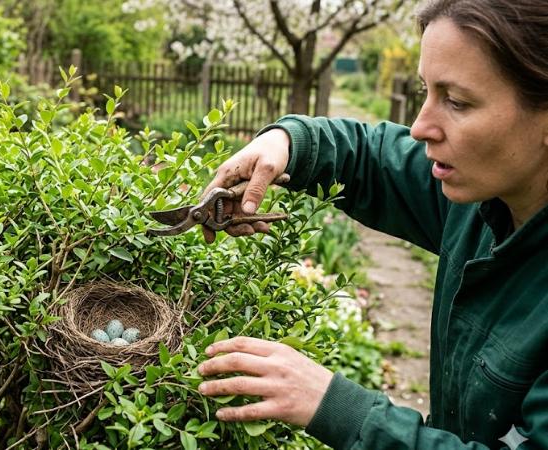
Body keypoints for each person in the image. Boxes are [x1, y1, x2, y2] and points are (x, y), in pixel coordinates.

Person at [194, 0, 548, 448]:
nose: (419, 127)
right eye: (426, 92)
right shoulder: (484, 196)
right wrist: (288, 142)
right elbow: (374, 158)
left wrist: (336, 405)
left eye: (456, 101)